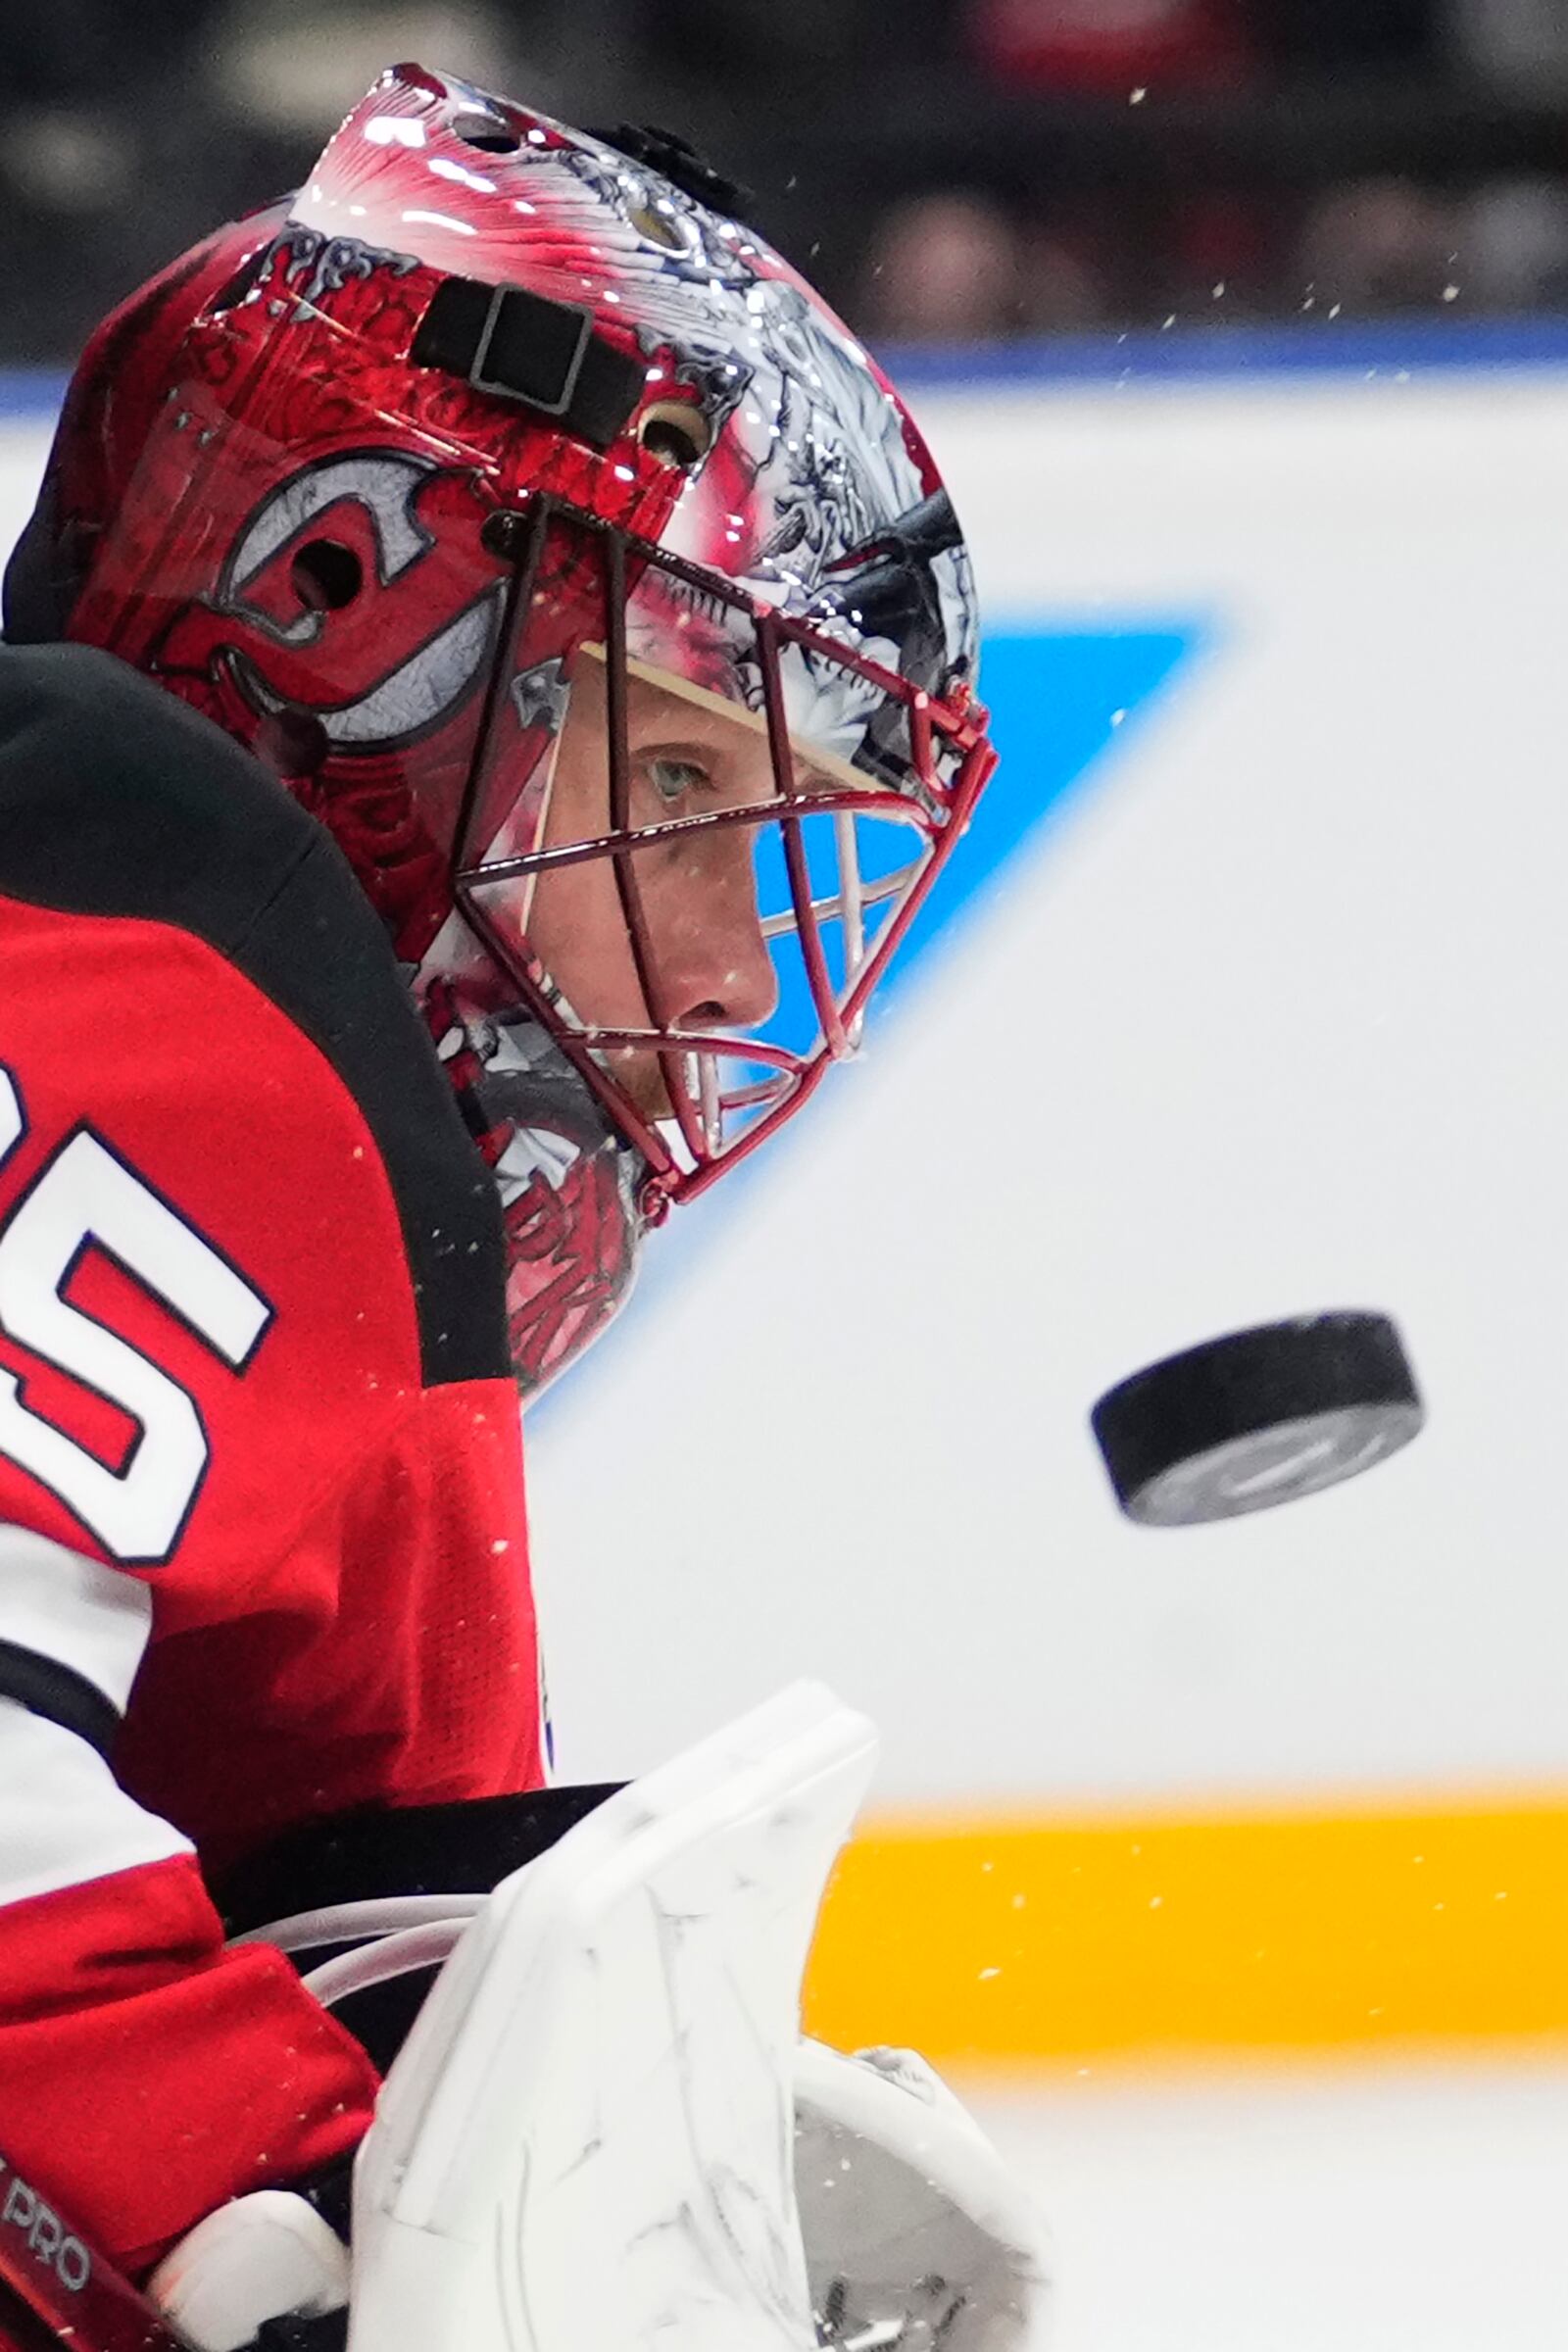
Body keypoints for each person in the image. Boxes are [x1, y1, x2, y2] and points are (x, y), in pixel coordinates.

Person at [0, 60, 1010, 2345]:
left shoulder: (269, 1118)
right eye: (667, 775)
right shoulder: (136, 978)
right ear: (326, 616)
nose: (741, 965)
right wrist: (255, 2206)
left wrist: (595, 2129)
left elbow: (229, 1855)